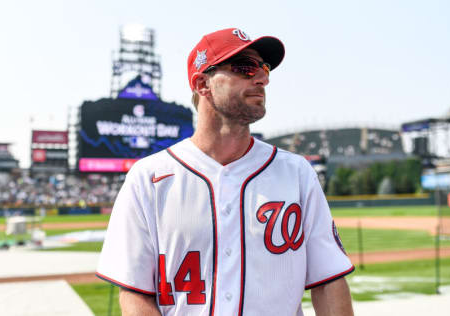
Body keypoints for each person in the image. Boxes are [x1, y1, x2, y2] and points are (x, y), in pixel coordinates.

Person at [97, 28, 355, 316]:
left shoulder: (297, 174)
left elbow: (328, 282)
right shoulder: (148, 178)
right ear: (202, 84)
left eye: (265, 68)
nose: (262, 78)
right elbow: (135, 295)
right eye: (245, 67)